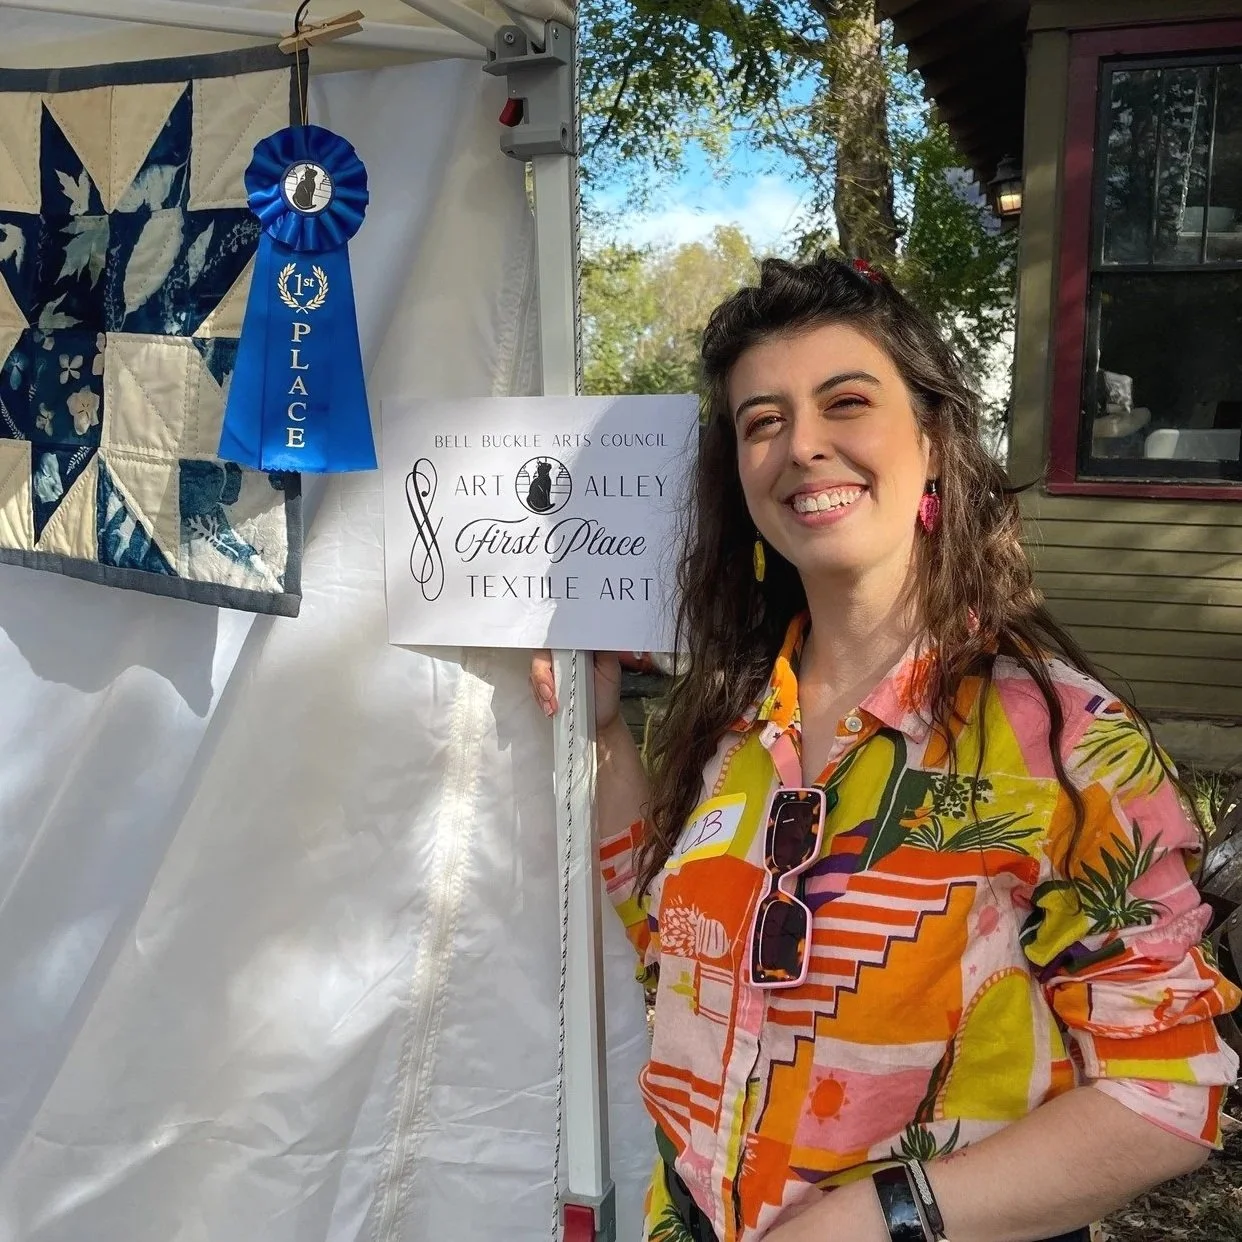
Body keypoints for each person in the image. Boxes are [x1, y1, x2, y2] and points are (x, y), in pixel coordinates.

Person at [529, 257, 1240, 1242]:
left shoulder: (1065, 742)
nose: (802, 446)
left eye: (845, 402)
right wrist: (603, 733)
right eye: (763, 421)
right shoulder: (735, 717)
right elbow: (672, 956)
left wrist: (881, 1217)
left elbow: (1168, 1097)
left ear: (934, 440)